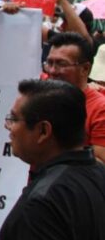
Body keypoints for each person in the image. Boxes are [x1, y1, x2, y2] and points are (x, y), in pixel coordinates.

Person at [0, 79, 105, 240]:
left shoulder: (44, 203)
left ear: (43, 131)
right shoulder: (96, 175)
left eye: (14, 119)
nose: (7, 126)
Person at [43, 32, 105, 162]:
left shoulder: (100, 109)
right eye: (49, 63)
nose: (53, 71)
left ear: (85, 68)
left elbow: (100, 163)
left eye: (61, 64)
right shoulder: (37, 96)